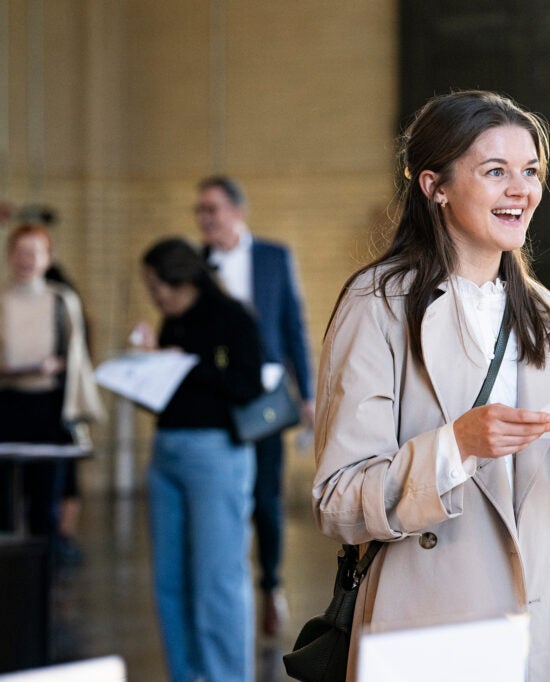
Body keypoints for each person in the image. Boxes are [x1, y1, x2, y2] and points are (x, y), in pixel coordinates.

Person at [312, 90, 550, 681]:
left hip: (544, 618)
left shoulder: (549, 318)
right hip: (435, 620)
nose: (521, 190)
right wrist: (456, 445)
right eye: (495, 172)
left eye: (531, 172)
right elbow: (338, 501)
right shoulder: (379, 305)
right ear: (434, 186)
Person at [135, 237, 264, 682]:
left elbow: (248, 384)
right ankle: (186, 674)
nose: (155, 296)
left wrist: (186, 365)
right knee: (170, 580)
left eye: (157, 286)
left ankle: (227, 676)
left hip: (216, 453)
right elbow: (175, 392)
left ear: (183, 279)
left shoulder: (232, 317)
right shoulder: (172, 323)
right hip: (167, 451)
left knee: (217, 578)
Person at [193, 174, 315, 636]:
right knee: (223, 496)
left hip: (264, 395)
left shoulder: (272, 257)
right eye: (200, 211)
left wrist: (307, 392)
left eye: (212, 209)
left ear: (237, 211)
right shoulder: (196, 264)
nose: (205, 219)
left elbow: (293, 327)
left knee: (265, 497)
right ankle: (226, 587)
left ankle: (272, 585)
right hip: (214, 396)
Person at [0, 224, 104, 549]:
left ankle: (41, 578)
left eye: (34, 253)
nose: (26, 260)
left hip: (48, 408)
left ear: (47, 259)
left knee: (45, 501)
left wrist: (56, 368)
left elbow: (76, 359)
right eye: (20, 252)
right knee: (3, 500)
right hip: (7, 405)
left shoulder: (62, 301)